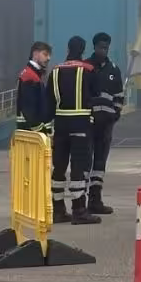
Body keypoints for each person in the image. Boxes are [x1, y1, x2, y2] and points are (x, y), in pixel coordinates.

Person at [42, 36, 102, 225]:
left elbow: (49, 102)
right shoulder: (88, 70)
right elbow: (97, 95)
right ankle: (79, 210)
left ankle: (58, 209)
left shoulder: (55, 71)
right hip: (81, 125)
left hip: (60, 126)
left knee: (58, 168)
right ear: (83, 50)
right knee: (79, 167)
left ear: (68, 48)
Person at [86, 31, 125, 215]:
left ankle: (95, 198)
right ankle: (81, 199)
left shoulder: (114, 69)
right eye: (101, 47)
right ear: (94, 47)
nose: (104, 50)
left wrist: (115, 114)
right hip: (88, 122)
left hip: (106, 124)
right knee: (85, 161)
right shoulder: (85, 67)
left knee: (100, 162)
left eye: (106, 47)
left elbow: (119, 95)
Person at [15, 41, 52, 134]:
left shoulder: (32, 74)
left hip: (30, 132)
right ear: (35, 54)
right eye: (45, 54)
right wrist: (41, 130)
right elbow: (29, 109)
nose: (48, 58)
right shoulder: (30, 76)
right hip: (32, 134)